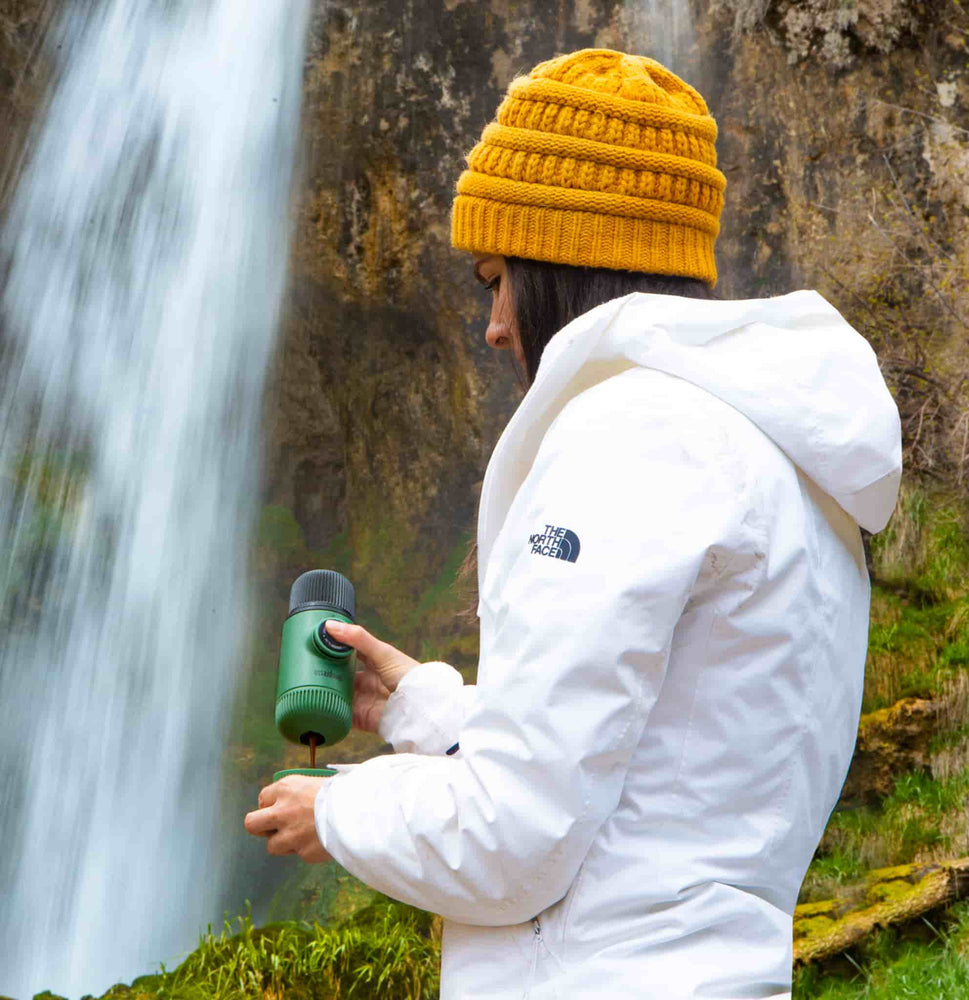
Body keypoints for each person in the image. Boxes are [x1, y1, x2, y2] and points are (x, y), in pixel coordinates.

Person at [245, 49, 902, 998]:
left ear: (562, 257)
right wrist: (421, 709)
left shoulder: (628, 436)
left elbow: (518, 838)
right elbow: (657, 775)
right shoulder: (772, 451)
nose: (494, 326)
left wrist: (340, 813)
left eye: (495, 280)